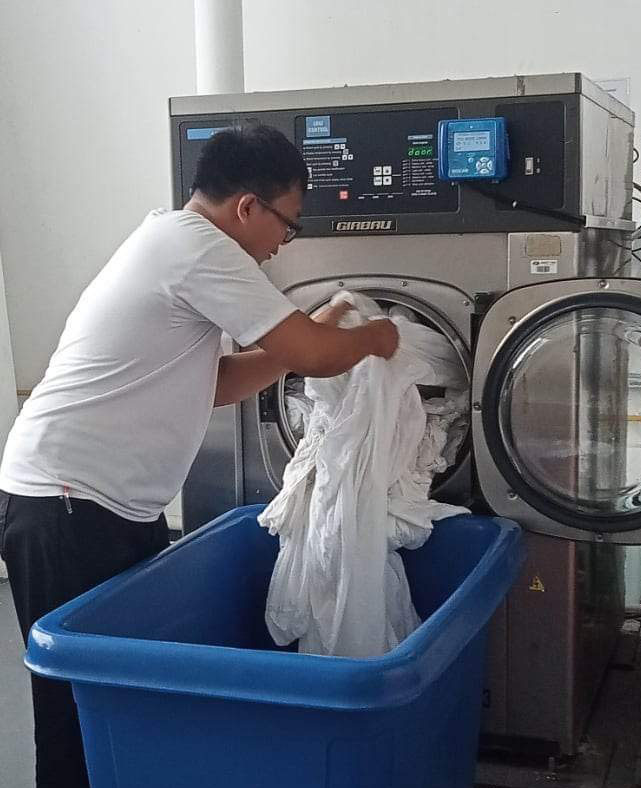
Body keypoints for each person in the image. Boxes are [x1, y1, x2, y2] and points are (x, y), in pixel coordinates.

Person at [0, 124, 398, 788]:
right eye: (288, 226)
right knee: (78, 701)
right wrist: (379, 336)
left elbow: (220, 383)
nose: (280, 246)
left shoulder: (173, 244)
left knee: (124, 690)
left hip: (103, 502)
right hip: (64, 502)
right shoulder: (197, 248)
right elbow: (314, 358)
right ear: (247, 207)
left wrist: (316, 332)